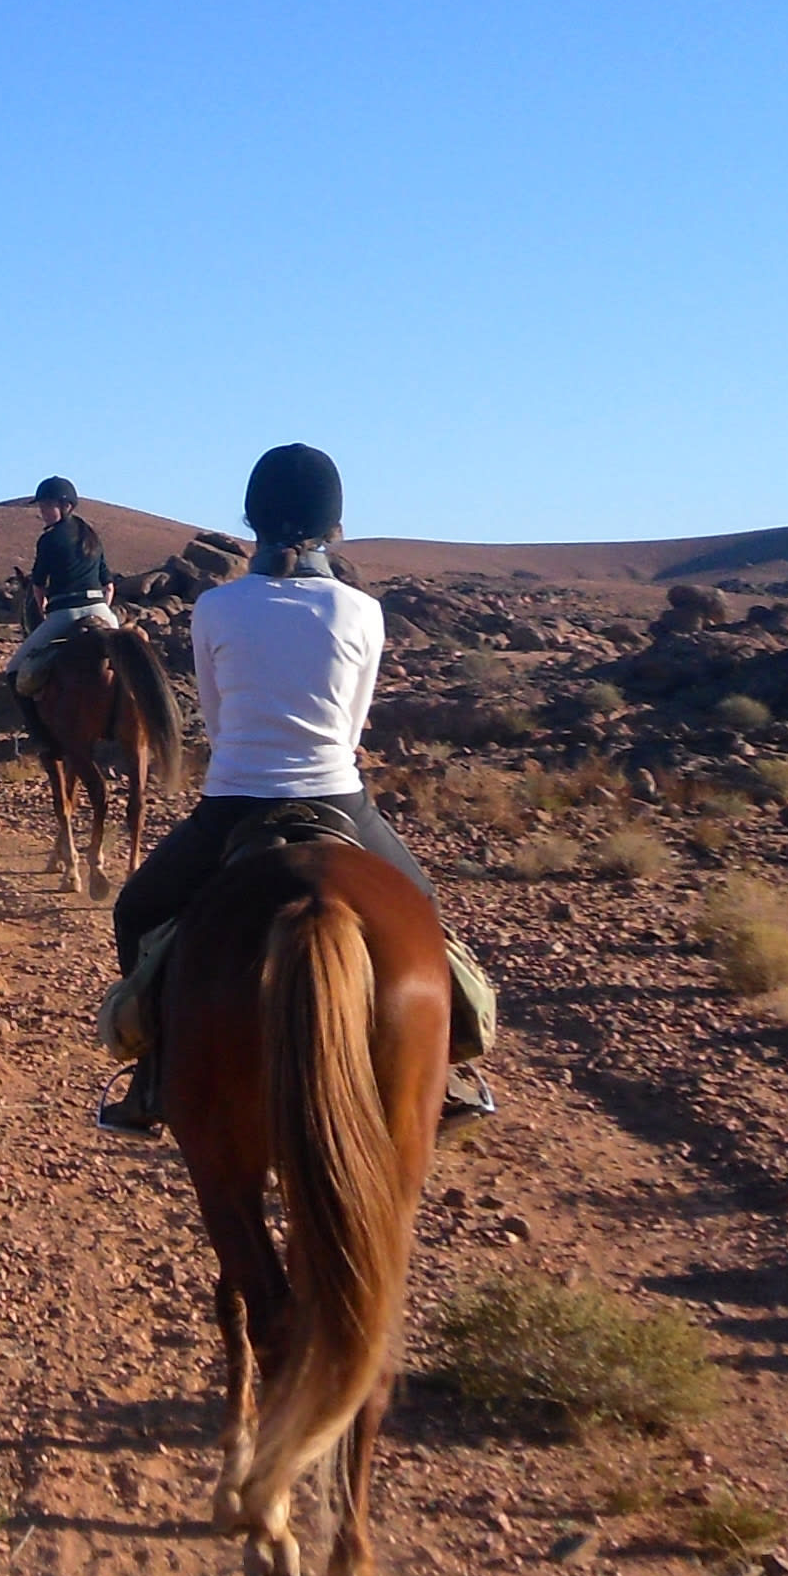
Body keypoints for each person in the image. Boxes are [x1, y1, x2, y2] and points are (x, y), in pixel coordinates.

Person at [93, 442, 493, 1131]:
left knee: (135, 912)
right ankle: (449, 1076)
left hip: (236, 803)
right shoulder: (361, 612)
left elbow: (215, 723)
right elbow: (355, 724)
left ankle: (151, 1073)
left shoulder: (216, 608)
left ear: (252, 519)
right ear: (334, 526)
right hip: (339, 798)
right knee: (424, 918)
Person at [7, 476, 118, 698]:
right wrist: (100, 611)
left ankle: (36, 732)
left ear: (66, 506)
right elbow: (109, 587)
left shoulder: (49, 539)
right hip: (102, 611)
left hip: (65, 613)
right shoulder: (91, 536)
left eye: (48, 505)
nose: (43, 511)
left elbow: (38, 586)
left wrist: (43, 612)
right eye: (42, 506)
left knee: (13, 669)